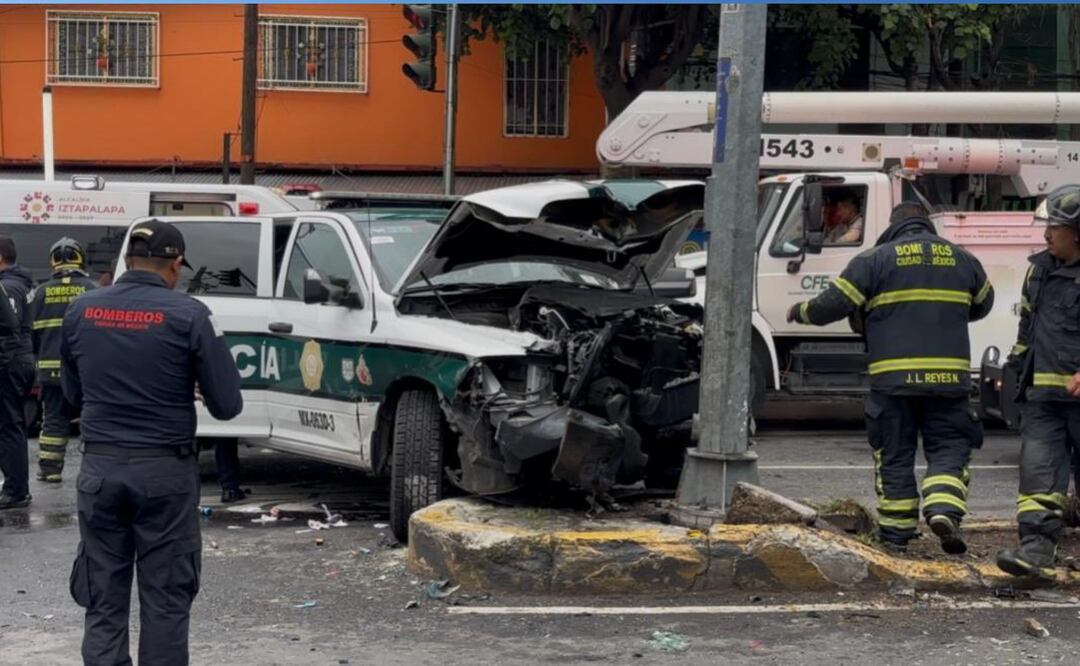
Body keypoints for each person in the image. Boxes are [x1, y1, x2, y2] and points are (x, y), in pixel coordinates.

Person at [62, 219, 243, 664]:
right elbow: (227, 405)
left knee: (103, 601)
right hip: (165, 475)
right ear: (175, 264)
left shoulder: (82, 311)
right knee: (165, 601)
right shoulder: (190, 314)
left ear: (126, 260)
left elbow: (71, 396)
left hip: (100, 473)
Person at [787, 202, 993, 553]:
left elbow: (833, 305)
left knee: (894, 455)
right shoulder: (963, 259)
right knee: (949, 449)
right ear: (926, 225)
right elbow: (983, 305)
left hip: (892, 380)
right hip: (949, 380)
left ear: (893, 225)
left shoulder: (875, 259)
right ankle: (943, 511)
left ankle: (895, 538)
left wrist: (799, 312)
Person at [997, 185, 1080, 580]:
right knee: (1038, 476)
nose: (1047, 233)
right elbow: (1027, 326)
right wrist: (1016, 370)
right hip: (1043, 399)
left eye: (1056, 226)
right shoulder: (1039, 270)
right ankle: (1035, 552)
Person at [29, 238, 97, 482]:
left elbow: (32, 334)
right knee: (91, 418)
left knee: (54, 421)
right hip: (84, 371)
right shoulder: (92, 290)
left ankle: (50, 469)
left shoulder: (40, 292)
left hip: (50, 370)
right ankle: (93, 470)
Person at [0, 236, 36, 509]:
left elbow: (9, 329)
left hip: (10, 362)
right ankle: (14, 487)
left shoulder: (9, 287)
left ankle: (15, 491)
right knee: (11, 425)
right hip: (20, 359)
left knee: (9, 426)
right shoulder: (22, 284)